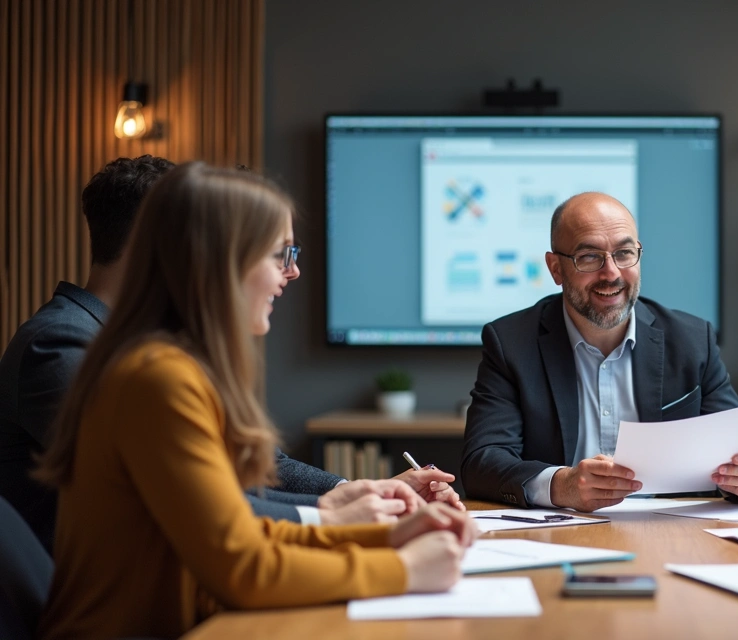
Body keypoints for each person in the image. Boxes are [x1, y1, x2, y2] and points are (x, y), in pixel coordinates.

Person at [34, 162, 477, 639]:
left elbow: (241, 535)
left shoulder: (171, 368)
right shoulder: (157, 378)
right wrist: (404, 570)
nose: (292, 272)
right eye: (280, 254)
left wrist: (389, 536)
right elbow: (243, 567)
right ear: (219, 262)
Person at [461, 192, 738, 511]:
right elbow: (482, 462)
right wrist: (560, 485)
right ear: (556, 268)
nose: (611, 272)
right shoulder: (512, 343)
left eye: (624, 253)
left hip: (675, 535)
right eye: (589, 257)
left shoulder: (692, 341)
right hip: (558, 533)